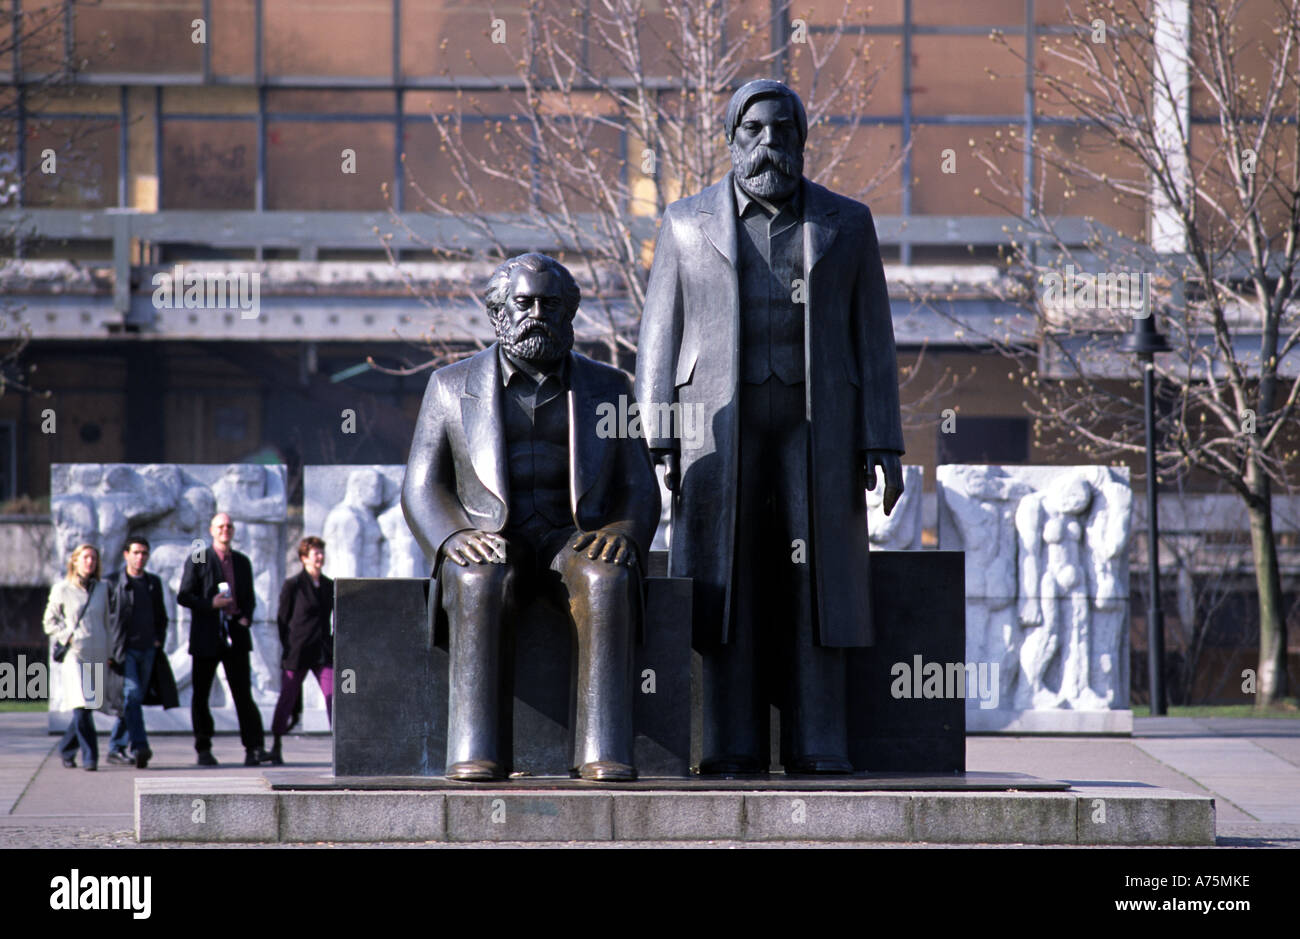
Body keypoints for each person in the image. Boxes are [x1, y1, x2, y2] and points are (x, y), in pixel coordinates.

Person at [636, 79, 906, 774]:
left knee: (818, 579)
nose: (769, 143)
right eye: (753, 130)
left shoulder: (847, 223)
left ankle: (820, 741)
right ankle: (730, 743)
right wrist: (654, 435)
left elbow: (872, 336)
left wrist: (884, 438)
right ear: (731, 140)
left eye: (783, 130)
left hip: (820, 427)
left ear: (801, 140)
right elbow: (658, 335)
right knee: (728, 582)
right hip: (715, 430)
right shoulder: (684, 222)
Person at [402, 252, 660, 781]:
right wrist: (454, 536)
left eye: (551, 304)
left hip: (574, 534)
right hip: (491, 535)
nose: (536, 313)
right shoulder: (450, 387)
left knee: (607, 578)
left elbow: (638, 485)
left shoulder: (609, 387)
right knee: (478, 580)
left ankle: (601, 749)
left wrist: (622, 531)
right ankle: (477, 748)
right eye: (523, 303)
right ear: (498, 312)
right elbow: (422, 486)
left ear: (570, 315)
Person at [177, 512, 272, 766]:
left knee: (243, 693)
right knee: (201, 695)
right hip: (207, 636)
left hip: (235, 635)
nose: (225, 530)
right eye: (220, 526)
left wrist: (245, 619)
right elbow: (184, 596)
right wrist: (211, 604)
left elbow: (250, 598)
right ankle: (204, 748)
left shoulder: (241, 561)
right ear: (211, 530)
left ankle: (254, 748)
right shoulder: (200, 557)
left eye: (229, 526)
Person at [43, 544, 111, 771]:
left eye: (93, 558)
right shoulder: (62, 589)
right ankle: (90, 756)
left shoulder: (102, 588)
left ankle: (66, 748)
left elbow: (107, 623)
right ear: (75, 561)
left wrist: (110, 653)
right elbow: (49, 621)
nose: (89, 562)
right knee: (81, 705)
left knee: (88, 706)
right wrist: (67, 638)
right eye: (85, 557)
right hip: (75, 655)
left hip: (98, 653)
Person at [269, 536, 334, 765]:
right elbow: (282, 619)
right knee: (288, 697)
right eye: (315, 553)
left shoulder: (329, 585)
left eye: (321, 552)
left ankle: (340, 746)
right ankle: (276, 742)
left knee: (333, 695)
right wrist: (287, 647)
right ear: (304, 558)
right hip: (298, 650)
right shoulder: (293, 585)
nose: (320, 557)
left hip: (323, 652)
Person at [103, 537, 168, 769]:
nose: (140, 557)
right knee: (131, 695)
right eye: (136, 552)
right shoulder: (112, 582)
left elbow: (161, 615)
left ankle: (115, 748)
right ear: (126, 554)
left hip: (148, 649)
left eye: (144, 553)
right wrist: (110, 650)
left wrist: (159, 640)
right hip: (124, 650)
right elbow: (106, 619)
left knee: (133, 700)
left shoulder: (153, 583)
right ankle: (140, 745)